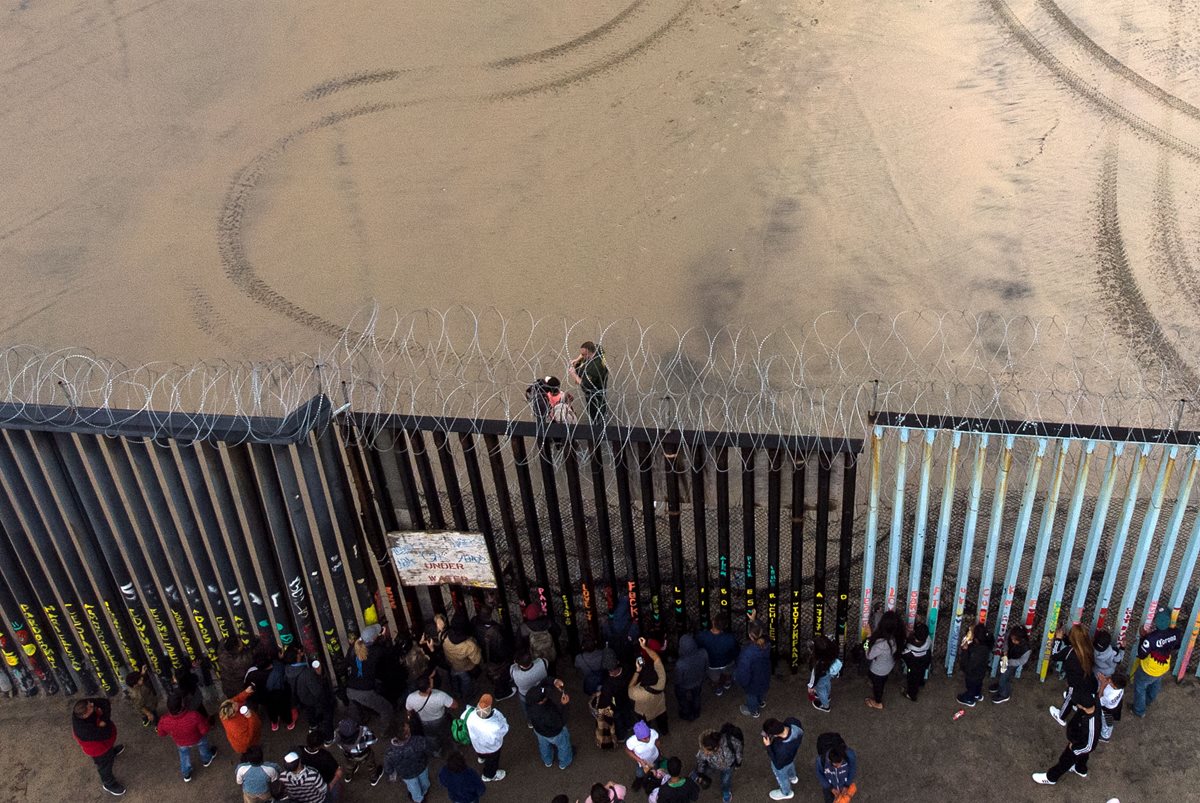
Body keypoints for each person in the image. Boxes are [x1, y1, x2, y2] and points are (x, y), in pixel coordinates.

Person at [1033, 702, 1099, 785]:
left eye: (1079, 702)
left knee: (1066, 760)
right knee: (1083, 755)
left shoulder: (1092, 723)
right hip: (1080, 740)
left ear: (1085, 707)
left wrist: (1074, 749)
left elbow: (1090, 745)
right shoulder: (1091, 708)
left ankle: (1051, 778)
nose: (1077, 704)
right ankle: (1080, 768)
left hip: (1079, 745)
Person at [156, 691, 217, 783]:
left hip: (180, 742)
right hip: (197, 738)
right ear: (182, 705)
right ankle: (206, 759)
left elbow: (161, 733)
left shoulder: (164, 720)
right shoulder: (194, 715)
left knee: (184, 755)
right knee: (203, 746)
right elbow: (204, 730)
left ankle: (186, 773)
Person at [72, 696, 126, 797]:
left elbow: (105, 702)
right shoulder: (84, 731)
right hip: (98, 749)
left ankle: (111, 753)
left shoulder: (84, 707)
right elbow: (106, 733)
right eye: (90, 707)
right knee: (104, 766)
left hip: (104, 744)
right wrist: (105, 719)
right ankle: (108, 783)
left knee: (108, 754)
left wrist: (104, 720)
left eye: (90, 704)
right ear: (85, 715)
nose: (92, 704)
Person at [1132, 609, 1182, 717]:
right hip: (1163, 666)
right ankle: (1149, 700)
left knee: (1140, 687)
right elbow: (1177, 646)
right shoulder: (1176, 633)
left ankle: (1139, 710)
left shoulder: (1150, 638)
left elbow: (1141, 654)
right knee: (1156, 683)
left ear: (1156, 621)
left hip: (1148, 669)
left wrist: (1143, 637)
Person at [345, 628, 393, 734]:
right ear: (373, 639)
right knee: (386, 709)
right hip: (365, 691)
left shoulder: (353, 648)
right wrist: (384, 638)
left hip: (350, 689)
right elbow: (388, 653)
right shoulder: (375, 651)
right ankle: (383, 731)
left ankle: (355, 729)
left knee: (355, 711)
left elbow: (348, 662)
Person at [1049, 624, 1097, 725]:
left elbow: (1054, 655)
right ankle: (1077, 703)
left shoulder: (1069, 651)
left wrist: (1058, 639)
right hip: (1088, 680)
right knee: (1077, 693)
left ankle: (1061, 716)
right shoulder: (1089, 648)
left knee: (1070, 696)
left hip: (1075, 683)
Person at [406, 674, 458, 756]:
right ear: (429, 688)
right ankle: (454, 747)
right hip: (440, 719)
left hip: (424, 721)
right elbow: (455, 705)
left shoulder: (411, 697)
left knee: (431, 737)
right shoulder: (440, 695)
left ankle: (437, 752)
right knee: (447, 732)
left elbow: (409, 711)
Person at [528, 678, 574, 769]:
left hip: (539, 731)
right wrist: (564, 705)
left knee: (544, 746)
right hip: (555, 733)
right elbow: (561, 722)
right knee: (563, 747)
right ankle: (564, 763)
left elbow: (542, 683)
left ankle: (547, 761)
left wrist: (554, 681)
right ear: (541, 701)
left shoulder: (530, 698)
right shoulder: (548, 713)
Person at [290, 658, 337, 744]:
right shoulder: (311, 676)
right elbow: (318, 693)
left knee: (310, 712)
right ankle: (329, 738)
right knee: (327, 715)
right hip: (313, 700)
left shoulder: (300, 672)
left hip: (304, 699)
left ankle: (313, 726)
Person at [473, 603, 515, 700]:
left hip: (486, 655)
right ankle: (502, 692)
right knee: (500, 672)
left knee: (494, 672)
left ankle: (499, 686)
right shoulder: (495, 631)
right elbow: (501, 648)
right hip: (496, 657)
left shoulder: (476, 624)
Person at [864, 610, 904, 710]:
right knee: (881, 680)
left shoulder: (881, 645)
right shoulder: (897, 637)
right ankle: (879, 686)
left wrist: (867, 638)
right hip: (888, 666)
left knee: (878, 687)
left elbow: (868, 655)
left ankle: (878, 703)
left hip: (878, 670)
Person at [466, 693, 510, 782]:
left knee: (480, 753)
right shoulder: (494, 726)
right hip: (491, 748)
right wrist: (499, 715)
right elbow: (505, 729)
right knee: (492, 762)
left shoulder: (470, 715)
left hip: (477, 743)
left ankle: (481, 758)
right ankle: (489, 775)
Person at [694, 725, 743, 803]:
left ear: (715, 748)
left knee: (725, 781)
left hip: (728, 767)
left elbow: (738, 752)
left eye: (706, 751)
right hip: (712, 765)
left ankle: (726, 792)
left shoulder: (731, 741)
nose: (704, 752)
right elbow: (700, 760)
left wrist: (738, 763)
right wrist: (700, 773)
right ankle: (696, 773)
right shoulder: (704, 749)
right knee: (705, 770)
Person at [628, 638, 668, 735]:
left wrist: (637, 671)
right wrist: (645, 647)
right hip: (660, 707)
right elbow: (657, 658)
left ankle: (647, 734)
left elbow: (630, 687)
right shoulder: (661, 680)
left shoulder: (637, 693)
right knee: (662, 720)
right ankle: (664, 731)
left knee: (645, 724)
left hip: (645, 712)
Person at [385, 721, 432, 802]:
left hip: (406, 774)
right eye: (408, 728)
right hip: (421, 767)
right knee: (425, 782)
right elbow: (428, 750)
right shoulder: (418, 740)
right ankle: (425, 791)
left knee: (413, 788)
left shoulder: (390, 752)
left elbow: (388, 768)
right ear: (407, 734)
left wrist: (391, 774)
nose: (409, 728)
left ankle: (419, 800)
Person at [694, 613, 739, 697]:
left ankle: (718, 688)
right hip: (727, 663)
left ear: (713, 622)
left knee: (715, 679)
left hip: (712, 665)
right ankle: (727, 683)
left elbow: (698, 649)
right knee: (728, 674)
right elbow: (735, 652)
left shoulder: (702, 636)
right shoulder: (730, 638)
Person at [443, 613, 484, 702]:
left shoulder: (445, 637)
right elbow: (476, 661)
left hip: (452, 664)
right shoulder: (469, 645)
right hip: (464, 667)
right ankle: (467, 696)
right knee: (466, 681)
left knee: (454, 677)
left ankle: (456, 692)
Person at [592, 653, 631, 748]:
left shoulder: (608, 683)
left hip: (615, 705)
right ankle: (629, 726)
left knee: (618, 720)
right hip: (627, 699)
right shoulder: (627, 669)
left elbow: (606, 698)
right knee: (627, 713)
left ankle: (621, 737)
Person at [761, 717, 804, 801]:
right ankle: (793, 777)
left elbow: (778, 764)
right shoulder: (793, 722)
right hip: (791, 756)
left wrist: (768, 746)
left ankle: (786, 792)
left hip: (782, 761)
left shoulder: (781, 748)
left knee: (782, 776)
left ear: (775, 735)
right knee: (790, 765)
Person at [988, 624, 1031, 704]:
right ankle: (1000, 685)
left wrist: (1010, 662)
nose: (1013, 641)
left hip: (1013, 662)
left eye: (1015, 640)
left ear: (1021, 639)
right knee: (1001, 672)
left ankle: (1004, 694)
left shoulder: (1026, 649)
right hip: (1007, 658)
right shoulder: (1011, 635)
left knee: (1004, 677)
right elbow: (1006, 642)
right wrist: (1005, 651)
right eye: (1012, 639)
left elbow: (1022, 661)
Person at [568, 341, 610, 425]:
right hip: (596, 384)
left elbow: (586, 384)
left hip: (594, 392)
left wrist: (574, 375)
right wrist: (578, 359)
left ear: (589, 353)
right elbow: (595, 347)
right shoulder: (597, 350)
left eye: (584, 355)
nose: (582, 356)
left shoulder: (595, 367)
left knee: (595, 412)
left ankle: (598, 430)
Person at [734, 623, 771, 718]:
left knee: (751, 696)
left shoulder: (747, 653)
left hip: (752, 681)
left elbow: (743, 672)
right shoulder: (767, 644)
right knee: (761, 691)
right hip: (765, 675)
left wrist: (743, 683)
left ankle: (753, 710)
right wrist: (754, 620)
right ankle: (760, 702)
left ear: (750, 636)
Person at [299, 729, 344, 800]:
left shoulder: (299, 750)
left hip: (306, 783)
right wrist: (332, 783)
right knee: (335, 792)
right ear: (318, 746)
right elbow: (338, 770)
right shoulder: (325, 756)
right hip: (325, 781)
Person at [956, 622, 994, 706]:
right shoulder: (986, 645)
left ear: (976, 639)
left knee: (971, 686)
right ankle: (977, 694)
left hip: (972, 673)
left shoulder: (976, 651)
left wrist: (965, 651)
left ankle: (969, 699)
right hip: (982, 671)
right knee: (978, 684)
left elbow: (967, 665)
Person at [814, 734, 857, 803]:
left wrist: (847, 785)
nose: (839, 766)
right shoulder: (821, 760)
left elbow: (852, 768)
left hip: (843, 783)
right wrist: (830, 788)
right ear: (829, 760)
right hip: (829, 786)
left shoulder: (849, 754)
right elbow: (820, 774)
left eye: (841, 763)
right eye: (836, 765)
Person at [219, 687, 262, 755]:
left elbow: (236, 699)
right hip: (246, 746)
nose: (237, 703)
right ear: (233, 713)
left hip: (242, 740)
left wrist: (246, 692)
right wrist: (250, 718)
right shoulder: (235, 726)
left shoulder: (226, 710)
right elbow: (247, 739)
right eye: (235, 705)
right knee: (250, 753)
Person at [674, 633, 707, 722]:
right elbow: (706, 666)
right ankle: (696, 711)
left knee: (682, 698)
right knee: (696, 696)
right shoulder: (703, 653)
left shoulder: (680, 663)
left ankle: (686, 712)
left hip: (685, 685)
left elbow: (678, 680)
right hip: (698, 681)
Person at [510, 649, 550, 721]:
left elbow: (512, 669)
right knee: (544, 702)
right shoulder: (542, 662)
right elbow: (545, 661)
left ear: (520, 665)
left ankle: (530, 721)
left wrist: (516, 663)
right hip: (542, 690)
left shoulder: (514, 672)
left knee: (527, 708)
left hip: (526, 694)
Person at [808, 636, 840, 712]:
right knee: (827, 683)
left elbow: (815, 676)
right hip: (828, 672)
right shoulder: (831, 654)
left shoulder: (819, 663)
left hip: (820, 677)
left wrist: (811, 686)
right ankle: (827, 696)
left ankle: (825, 706)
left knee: (820, 690)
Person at [624, 719, 661, 787]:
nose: (648, 739)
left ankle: (654, 781)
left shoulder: (653, 732)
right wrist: (640, 760)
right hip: (642, 761)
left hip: (655, 757)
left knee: (655, 770)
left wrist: (659, 751)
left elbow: (657, 742)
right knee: (639, 773)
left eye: (648, 736)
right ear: (638, 738)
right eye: (644, 738)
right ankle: (639, 780)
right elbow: (628, 751)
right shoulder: (631, 742)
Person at [218, 636, 256, 701]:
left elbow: (221, 648)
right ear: (238, 647)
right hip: (241, 690)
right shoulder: (243, 661)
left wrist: (223, 641)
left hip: (228, 688)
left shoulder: (222, 655)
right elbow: (251, 654)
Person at [900, 624, 931, 702]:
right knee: (921, 672)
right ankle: (921, 682)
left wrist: (907, 637)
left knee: (912, 680)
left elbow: (902, 654)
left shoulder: (908, 649)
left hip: (913, 668)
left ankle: (911, 695)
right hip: (925, 661)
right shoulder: (928, 640)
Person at [1098, 670, 1127, 742]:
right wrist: (1106, 679)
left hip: (1107, 710)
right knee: (1110, 720)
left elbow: (1099, 700)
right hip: (1117, 705)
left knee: (1107, 723)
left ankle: (1105, 736)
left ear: (1114, 686)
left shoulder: (1109, 696)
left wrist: (1102, 685)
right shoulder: (1121, 686)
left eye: (1111, 681)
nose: (1109, 680)